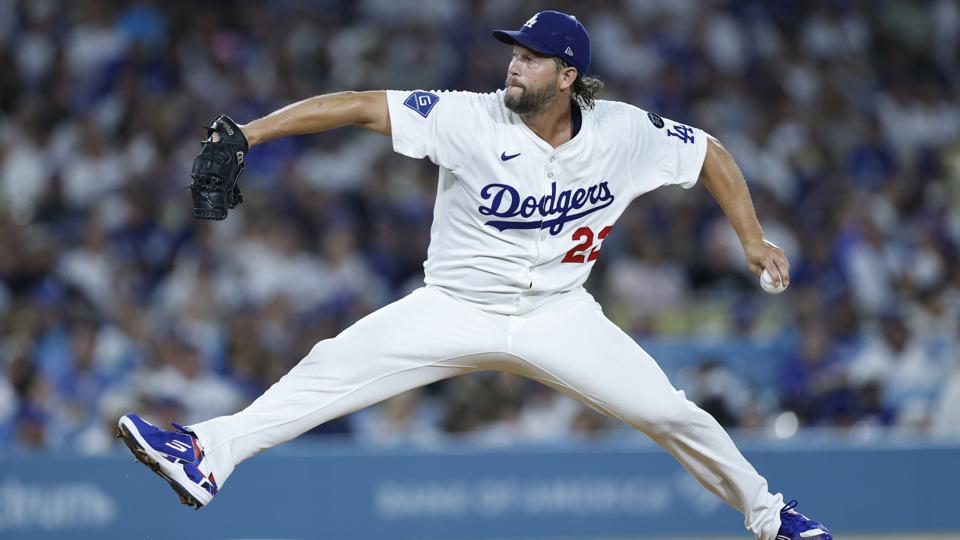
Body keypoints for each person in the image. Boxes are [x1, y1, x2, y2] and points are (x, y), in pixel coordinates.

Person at [117, 11, 831, 540]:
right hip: (456, 306)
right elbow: (364, 106)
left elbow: (707, 151)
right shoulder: (469, 118)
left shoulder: (622, 131)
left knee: (670, 412)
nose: (515, 66)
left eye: (533, 58)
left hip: (560, 314)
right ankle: (210, 452)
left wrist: (752, 237)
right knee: (330, 366)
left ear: (568, 76)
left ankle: (772, 518)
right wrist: (250, 133)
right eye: (514, 53)